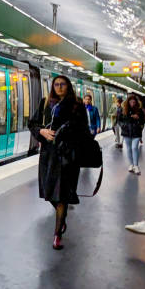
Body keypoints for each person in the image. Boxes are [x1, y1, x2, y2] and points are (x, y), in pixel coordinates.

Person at [28, 75, 89, 250]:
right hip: (48, 155)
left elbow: (84, 129)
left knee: (61, 195)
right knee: (49, 192)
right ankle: (61, 219)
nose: (59, 87)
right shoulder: (45, 103)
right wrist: (42, 132)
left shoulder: (77, 104)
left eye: (63, 84)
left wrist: (70, 137)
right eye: (56, 84)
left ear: (68, 86)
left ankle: (57, 234)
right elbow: (32, 123)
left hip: (68, 157)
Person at [121, 94, 145, 175]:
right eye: (131, 102)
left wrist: (138, 118)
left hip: (136, 132)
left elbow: (143, 121)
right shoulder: (123, 110)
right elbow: (119, 120)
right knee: (128, 148)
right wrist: (124, 124)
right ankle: (131, 164)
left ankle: (136, 165)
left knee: (134, 147)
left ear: (136, 102)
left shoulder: (140, 110)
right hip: (126, 132)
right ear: (128, 102)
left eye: (134, 102)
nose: (132, 103)